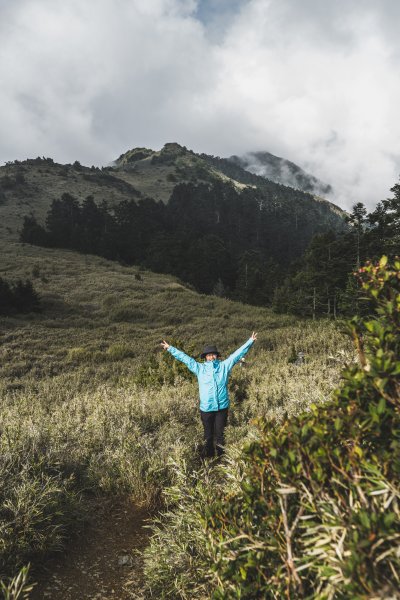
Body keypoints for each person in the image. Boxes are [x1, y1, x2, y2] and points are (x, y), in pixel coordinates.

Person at [160, 332, 257, 458]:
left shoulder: (224, 366)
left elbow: (237, 354)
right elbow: (185, 358)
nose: (211, 357)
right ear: (205, 357)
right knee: (208, 435)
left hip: (222, 407)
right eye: (209, 355)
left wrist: (250, 341)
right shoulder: (199, 368)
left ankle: (222, 459)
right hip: (206, 409)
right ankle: (209, 458)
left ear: (217, 356)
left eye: (213, 355)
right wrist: (170, 348)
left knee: (221, 435)